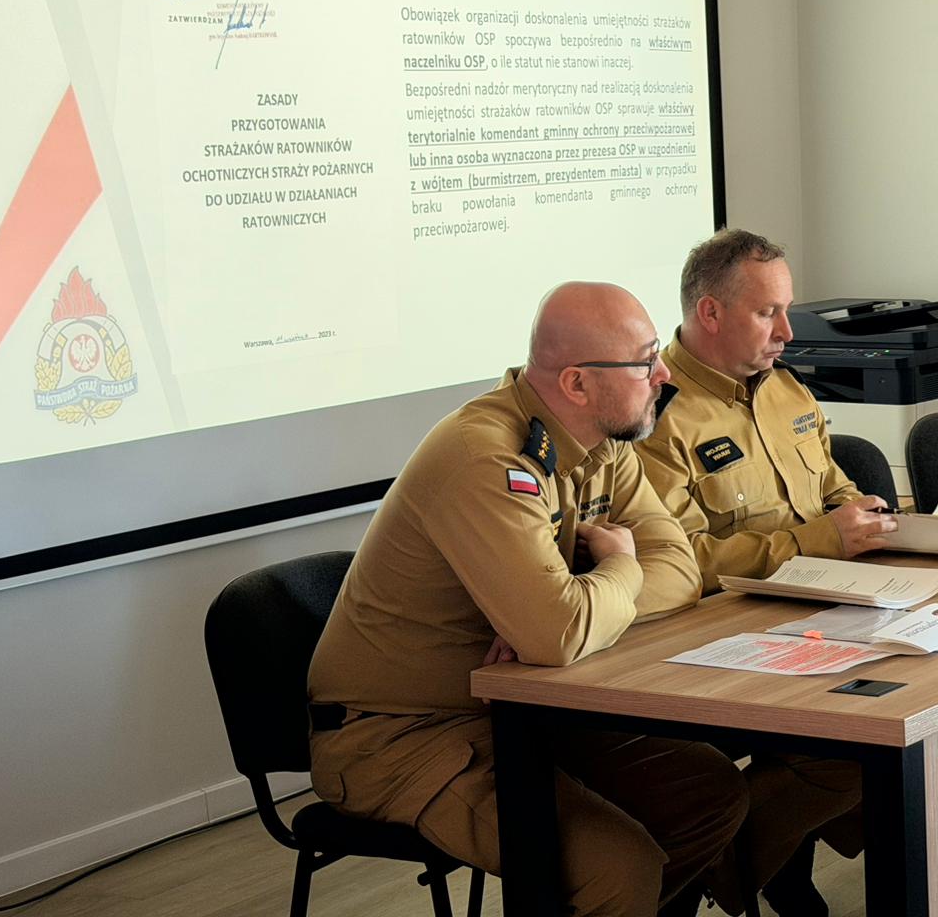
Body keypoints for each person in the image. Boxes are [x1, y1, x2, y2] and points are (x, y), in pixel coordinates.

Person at [307, 282, 745, 917]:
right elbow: (557, 633)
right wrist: (617, 569)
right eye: (645, 360)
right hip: (404, 735)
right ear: (577, 383)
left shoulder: (603, 442)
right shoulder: (485, 459)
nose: (664, 374)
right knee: (618, 867)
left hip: (532, 707)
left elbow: (680, 570)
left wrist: (581, 609)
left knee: (707, 792)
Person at [637, 229, 890, 917]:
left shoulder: (785, 389)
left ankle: (759, 860)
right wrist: (818, 539)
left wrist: (864, 514)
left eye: (786, 310)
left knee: (911, 713)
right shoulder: (657, 414)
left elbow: (832, 486)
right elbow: (679, 560)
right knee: (860, 744)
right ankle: (729, 864)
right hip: (712, 645)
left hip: (820, 615)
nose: (786, 331)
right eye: (766, 313)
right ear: (710, 313)